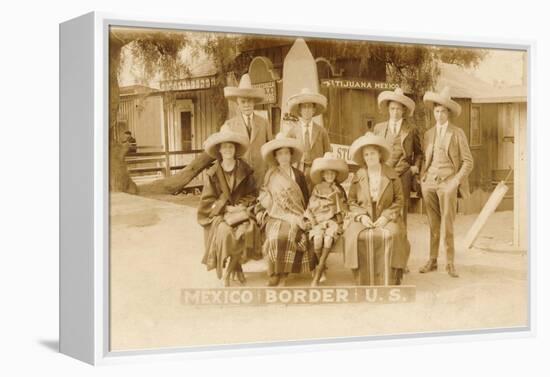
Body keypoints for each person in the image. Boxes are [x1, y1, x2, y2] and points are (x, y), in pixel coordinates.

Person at [419, 87, 473, 278]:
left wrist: (456, 181)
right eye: (436, 111)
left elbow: (468, 161)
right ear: (433, 112)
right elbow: (424, 159)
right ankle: (432, 260)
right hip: (429, 183)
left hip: (448, 183)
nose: (439, 114)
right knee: (433, 224)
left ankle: (449, 262)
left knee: (447, 225)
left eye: (443, 111)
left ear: (448, 112)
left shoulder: (457, 133)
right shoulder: (428, 134)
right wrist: (422, 178)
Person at [343, 133, 410, 285]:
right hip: (365, 214)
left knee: (393, 234)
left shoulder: (391, 174)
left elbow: (399, 199)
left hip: (386, 213)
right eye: (366, 154)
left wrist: (386, 217)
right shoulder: (358, 175)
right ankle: (362, 278)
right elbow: (351, 201)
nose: (370, 157)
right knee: (355, 235)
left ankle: (392, 276)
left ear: (380, 154)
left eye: (373, 153)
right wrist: (361, 216)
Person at [197, 129, 260, 287]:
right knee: (225, 233)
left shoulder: (245, 169)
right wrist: (225, 209)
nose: (227, 150)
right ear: (219, 150)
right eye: (224, 147)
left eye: (231, 147)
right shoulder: (212, 173)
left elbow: (253, 193)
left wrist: (240, 206)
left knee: (246, 231)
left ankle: (229, 272)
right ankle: (236, 268)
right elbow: (207, 200)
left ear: (235, 149)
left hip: (241, 213)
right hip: (221, 214)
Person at [255, 132, 317, 286]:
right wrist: (265, 206)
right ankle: (274, 272)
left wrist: (305, 216)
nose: (283, 157)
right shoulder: (270, 175)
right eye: (280, 154)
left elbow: (305, 198)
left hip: (295, 214)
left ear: (290, 155)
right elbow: (264, 195)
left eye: (286, 153)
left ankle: (284, 272)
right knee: (275, 235)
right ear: (276, 157)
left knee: (289, 234)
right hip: (275, 215)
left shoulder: (299, 175)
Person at [374, 88, 423, 227]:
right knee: (382, 209)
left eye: (398, 109)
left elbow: (419, 153)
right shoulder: (379, 128)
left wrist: (415, 167)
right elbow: (374, 151)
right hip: (384, 174)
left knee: (401, 211)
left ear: (403, 110)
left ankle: (401, 244)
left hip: (404, 175)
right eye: (392, 109)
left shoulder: (411, 129)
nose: (395, 112)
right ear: (388, 109)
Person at [305, 152, 349, 286]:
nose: (330, 176)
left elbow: (343, 207)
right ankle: (322, 268)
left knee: (329, 238)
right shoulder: (317, 188)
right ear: (323, 174)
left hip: (334, 221)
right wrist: (315, 220)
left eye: (332, 174)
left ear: (335, 175)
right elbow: (311, 206)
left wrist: (341, 219)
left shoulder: (339, 189)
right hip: (318, 220)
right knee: (317, 239)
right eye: (327, 173)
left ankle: (318, 273)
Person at [221, 73, 272, 186]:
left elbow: (270, 150)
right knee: (242, 202)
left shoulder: (264, 122)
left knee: (261, 202)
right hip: (240, 175)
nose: (247, 105)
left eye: (249, 101)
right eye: (243, 102)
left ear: (254, 102)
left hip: (260, 174)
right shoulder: (230, 125)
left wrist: (269, 171)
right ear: (238, 103)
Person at [287, 87, 332, 191]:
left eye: (309, 107)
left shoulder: (321, 131)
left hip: (316, 171)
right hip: (299, 170)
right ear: (300, 110)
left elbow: (327, 153)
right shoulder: (293, 131)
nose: (307, 110)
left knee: (315, 196)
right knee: (300, 196)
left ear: (314, 110)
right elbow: (288, 154)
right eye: (304, 107)